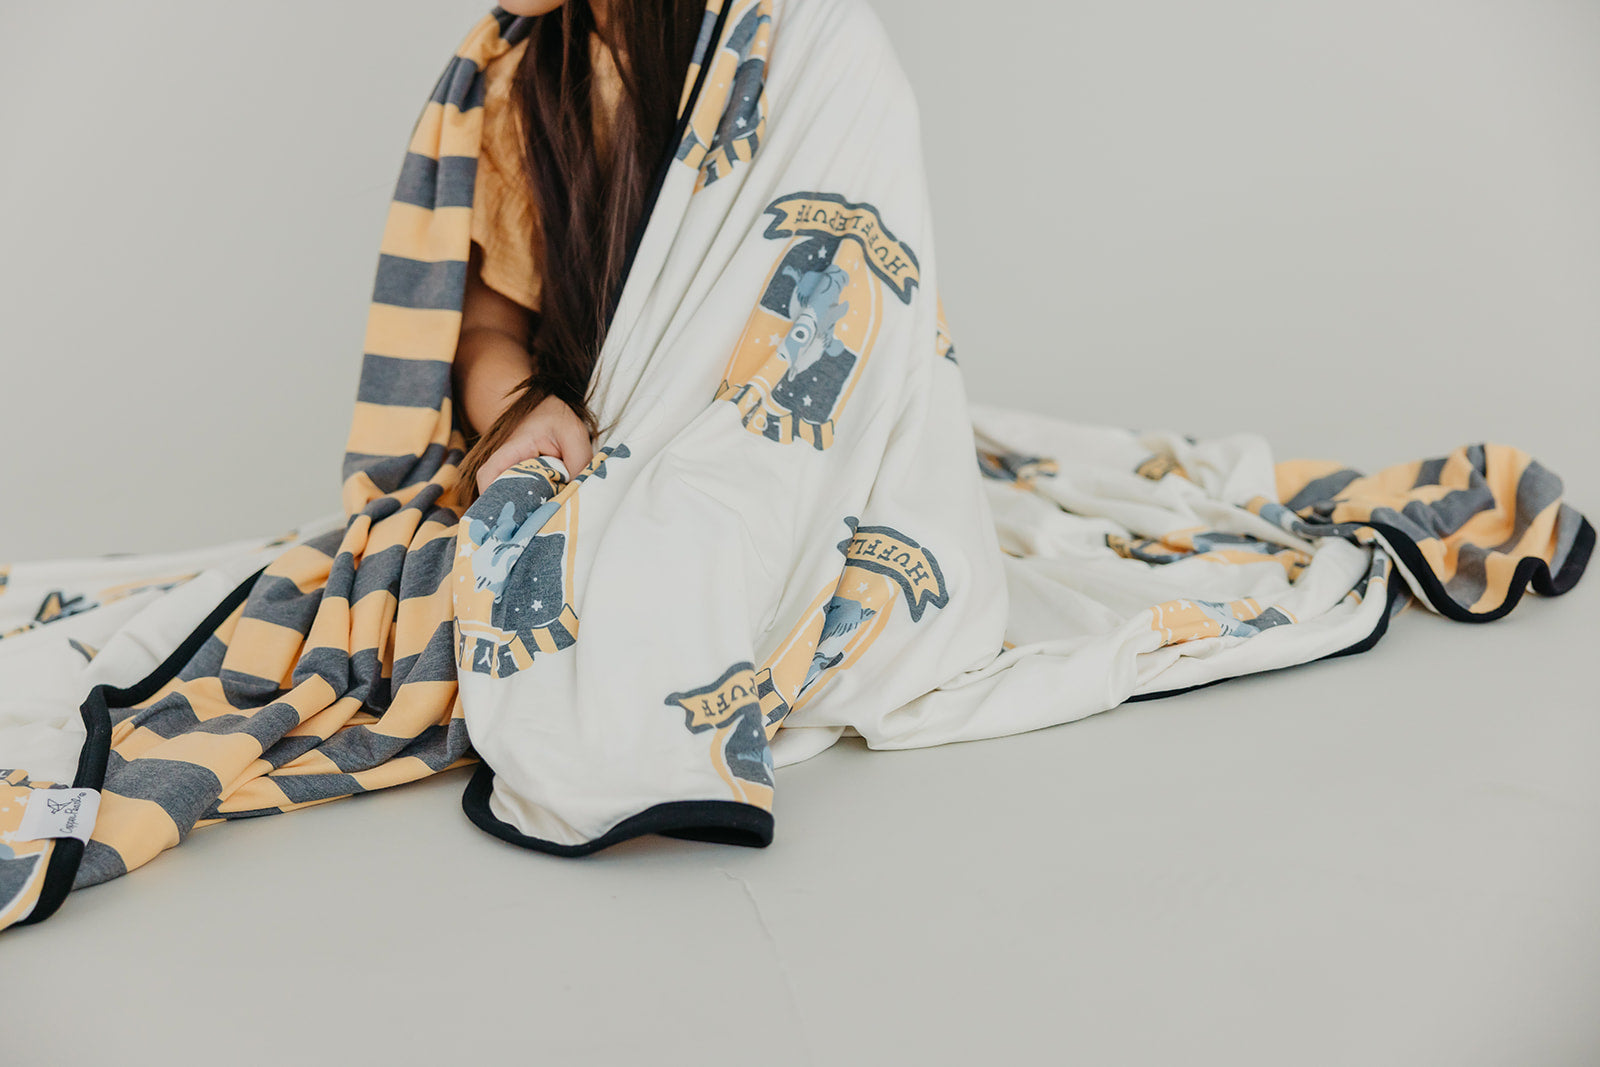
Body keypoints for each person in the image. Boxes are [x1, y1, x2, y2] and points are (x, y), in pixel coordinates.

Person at [452, 0, 704, 500]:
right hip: (597, 471)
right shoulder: (517, 86)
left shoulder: (792, 45)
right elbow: (486, 329)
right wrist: (524, 415)